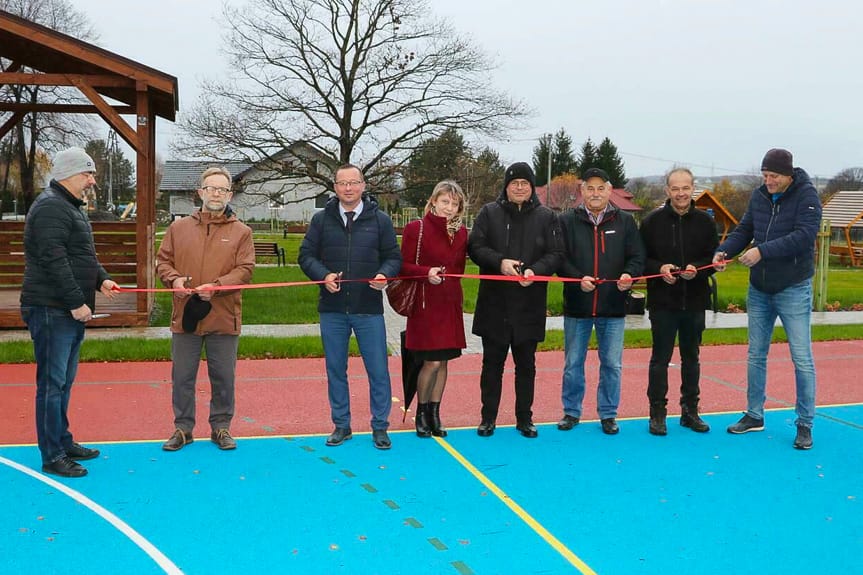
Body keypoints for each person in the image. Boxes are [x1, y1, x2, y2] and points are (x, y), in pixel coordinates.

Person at [20, 147, 119, 477]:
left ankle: (62, 441)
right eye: (87, 174)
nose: (92, 180)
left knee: (63, 383)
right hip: (52, 310)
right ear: (67, 174)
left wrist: (102, 280)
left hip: (65, 309)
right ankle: (52, 455)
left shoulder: (70, 207)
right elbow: (54, 260)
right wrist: (76, 302)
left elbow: (81, 254)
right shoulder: (51, 207)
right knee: (52, 385)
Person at [714, 149, 821, 450]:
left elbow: (803, 236)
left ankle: (804, 424)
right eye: (765, 175)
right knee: (755, 354)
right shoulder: (759, 196)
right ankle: (754, 414)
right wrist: (724, 251)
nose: (768, 181)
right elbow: (745, 229)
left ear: (788, 175)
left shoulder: (807, 196)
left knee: (801, 358)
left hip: (793, 286)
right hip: (759, 288)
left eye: (773, 176)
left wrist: (762, 251)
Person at [299, 164, 402, 449]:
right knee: (335, 368)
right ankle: (341, 425)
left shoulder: (380, 220)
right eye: (342, 183)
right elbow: (306, 255)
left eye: (353, 182)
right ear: (334, 187)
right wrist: (323, 276)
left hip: (368, 308)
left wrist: (385, 275)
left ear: (363, 185)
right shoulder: (321, 220)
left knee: (378, 369)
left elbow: (394, 257)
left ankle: (380, 426)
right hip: (332, 310)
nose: (348, 188)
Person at [156, 167, 255, 452]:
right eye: (211, 188)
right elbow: (163, 262)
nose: (216, 194)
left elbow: (246, 270)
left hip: (224, 316)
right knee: (182, 376)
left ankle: (221, 427)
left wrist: (219, 286)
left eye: (222, 189)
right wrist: (174, 279)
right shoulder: (178, 228)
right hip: (185, 317)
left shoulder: (242, 232)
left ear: (230, 195)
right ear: (199, 192)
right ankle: (183, 428)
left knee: (223, 376)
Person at [468, 162, 563, 438]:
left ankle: (525, 418)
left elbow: (557, 253)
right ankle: (488, 418)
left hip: (529, 304)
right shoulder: (489, 213)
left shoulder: (547, 216)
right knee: (492, 365)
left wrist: (536, 271)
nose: (519, 187)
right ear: (506, 186)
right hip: (494, 305)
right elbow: (475, 247)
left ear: (532, 187)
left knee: (526, 366)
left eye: (525, 183)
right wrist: (500, 263)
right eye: (514, 183)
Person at [557, 167, 645, 435]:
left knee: (612, 364)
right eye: (590, 188)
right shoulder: (566, 220)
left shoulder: (626, 222)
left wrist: (630, 274)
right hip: (577, 307)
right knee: (573, 363)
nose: (595, 193)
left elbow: (637, 256)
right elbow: (559, 258)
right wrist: (576, 277)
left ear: (610, 191)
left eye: (600, 188)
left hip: (613, 306)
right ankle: (571, 411)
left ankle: (608, 414)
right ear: (582, 191)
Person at [639, 167, 717, 436]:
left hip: (695, 301)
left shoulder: (706, 222)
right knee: (660, 360)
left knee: (692, 358)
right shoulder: (651, 222)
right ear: (667, 191)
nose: (681, 193)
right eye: (676, 188)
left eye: (686, 188)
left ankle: (690, 411)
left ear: (693, 188)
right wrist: (660, 269)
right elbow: (641, 260)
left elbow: (712, 258)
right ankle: (657, 413)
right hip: (663, 302)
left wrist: (698, 267)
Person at [400, 180, 468, 438]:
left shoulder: (462, 233)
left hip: (450, 304)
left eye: (454, 203)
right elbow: (402, 266)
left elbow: (459, 269)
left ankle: (435, 414)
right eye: (445, 201)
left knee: (445, 361)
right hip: (425, 305)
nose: (449, 208)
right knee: (432, 362)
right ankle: (421, 411)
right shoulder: (415, 229)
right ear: (433, 201)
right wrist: (425, 273)